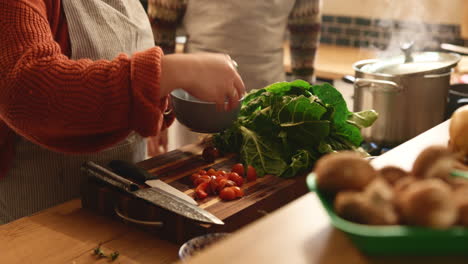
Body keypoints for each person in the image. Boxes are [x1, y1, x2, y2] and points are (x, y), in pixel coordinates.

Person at [0, 0, 244, 224]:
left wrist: (158, 101)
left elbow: (123, 53)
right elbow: (27, 91)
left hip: (124, 200)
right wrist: (169, 72)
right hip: (43, 213)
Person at [147, 0, 322, 150]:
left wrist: (307, 101)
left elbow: (306, 26)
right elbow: (161, 24)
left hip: (268, 100)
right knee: (193, 180)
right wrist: (157, 104)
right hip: (198, 107)